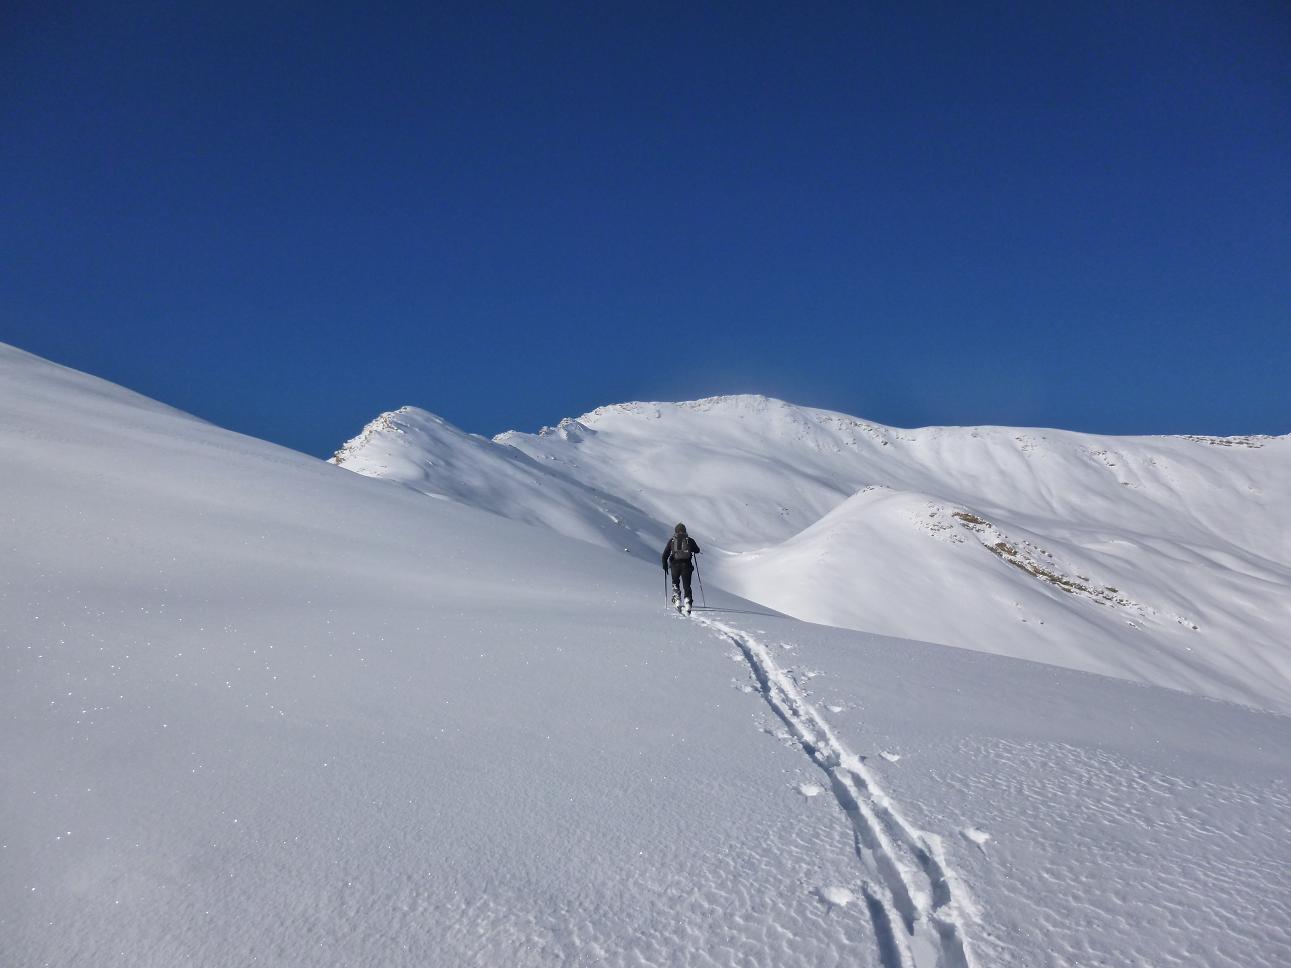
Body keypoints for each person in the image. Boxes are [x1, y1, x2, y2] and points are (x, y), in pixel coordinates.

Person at [661, 523, 700, 611]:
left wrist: (665, 565)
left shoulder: (672, 541)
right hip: (687, 565)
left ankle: (677, 599)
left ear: (676, 531)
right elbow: (697, 550)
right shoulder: (689, 540)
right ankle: (688, 601)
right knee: (687, 585)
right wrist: (692, 549)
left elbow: (665, 554)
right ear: (685, 530)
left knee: (675, 582)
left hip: (675, 565)